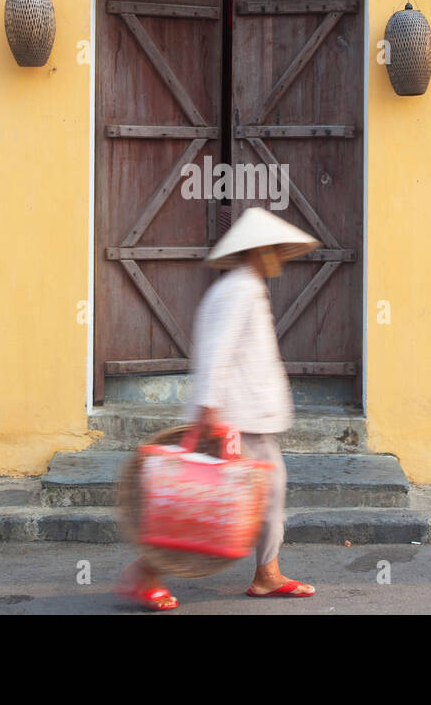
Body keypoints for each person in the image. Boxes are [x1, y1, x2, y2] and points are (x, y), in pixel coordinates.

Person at [117, 207, 321, 610]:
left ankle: (266, 574)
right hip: (233, 419)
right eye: (274, 249)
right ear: (258, 251)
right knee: (197, 501)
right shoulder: (238, 290)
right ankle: (147, 572)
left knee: (265, 494)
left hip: (249, 417)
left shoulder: (248, 287)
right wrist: (208, 410)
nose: (279, 257)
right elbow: (216, 351)